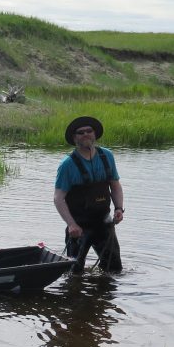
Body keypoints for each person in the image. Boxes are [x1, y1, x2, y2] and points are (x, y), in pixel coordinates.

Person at [53, 115, 125, 273]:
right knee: (74, 273)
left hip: (104, 223)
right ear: (74, 138)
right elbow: (59, 198)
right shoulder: (67, 165)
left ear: (95, 134)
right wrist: (71, 224)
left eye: (89, 131)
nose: (86, 134)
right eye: (80, 132)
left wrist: (119, 209)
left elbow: (115, 186)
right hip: (79, 227)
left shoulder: (107, 156)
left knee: (114, 270)